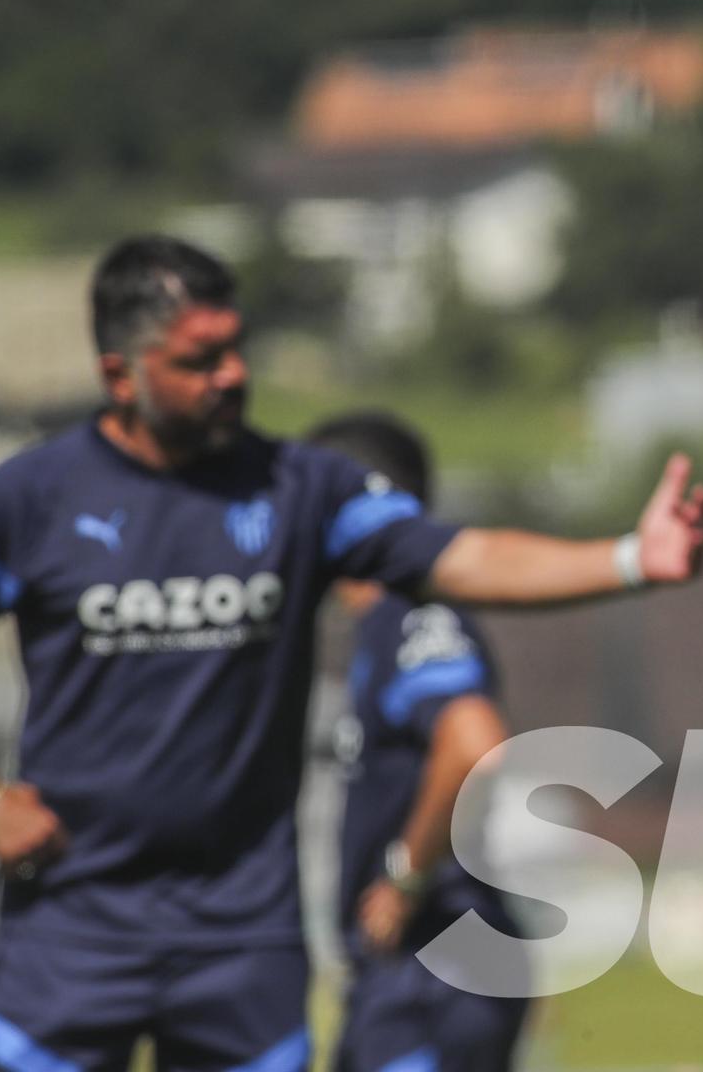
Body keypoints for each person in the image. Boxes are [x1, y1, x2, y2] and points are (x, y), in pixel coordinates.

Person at [0, 237, 703, 1072]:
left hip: (241, 933)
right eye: (198, 360)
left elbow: (461, 557)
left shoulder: (299, 487)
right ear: (118, 374)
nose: (233, 375)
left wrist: (627, 559)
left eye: (235, 348)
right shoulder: (30, 500)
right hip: (72, 924)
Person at [307, 412, 531, 1072]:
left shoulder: (413, 615)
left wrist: (404, 876)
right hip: (421, 964)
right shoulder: (379, 626)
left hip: (435, 959)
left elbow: (474, 739)